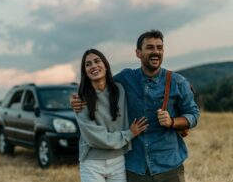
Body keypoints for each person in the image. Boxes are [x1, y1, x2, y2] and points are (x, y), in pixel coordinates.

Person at [71, 30, 200, 182]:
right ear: (138, 53)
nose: (155, 52)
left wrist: (172, 121)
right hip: (135, 166)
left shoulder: (178, 82)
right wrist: (76, 98)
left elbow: (193, 114)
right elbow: (100, 84)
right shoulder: (126, 78)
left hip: (169, 164)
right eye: (150, 47)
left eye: (159, 48)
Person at [75, 48, 148, 182]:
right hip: (92, 163)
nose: (93, 66)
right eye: (88, 64)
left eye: (97, 61)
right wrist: (129, 134)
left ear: (105, 66)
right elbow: (95, 138)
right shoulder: (81, 100)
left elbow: (145, 84)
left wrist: (180, 84)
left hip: (118, 161)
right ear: (85, 72)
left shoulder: (120, 90)